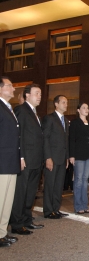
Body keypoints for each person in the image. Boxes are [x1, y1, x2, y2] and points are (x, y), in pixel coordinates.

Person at [10, 84, 44, 236]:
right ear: (27, 95)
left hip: (36, 160)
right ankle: (17, 224)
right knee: (21, 192)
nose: (39, 96)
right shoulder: (21, 110)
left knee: (30, 193)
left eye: (40, 94)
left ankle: (26, 220)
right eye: (36, 93)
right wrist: (21, 156)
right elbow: (19, 135)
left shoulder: (35, 113)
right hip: (26, 159)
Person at [0, 76, 20, 247]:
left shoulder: (9, 108)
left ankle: (2, 233)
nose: (13, 89)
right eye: (10, 86)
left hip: (11, 161)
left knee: (7, 200)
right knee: (0, 200)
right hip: (2, 161)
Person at [42, 95, 69, 219]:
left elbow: (66, 141)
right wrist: (48, 157)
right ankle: (48, 211)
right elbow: (45, 138)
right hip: (52, 158)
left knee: (58, 185)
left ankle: (56, 209)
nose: (66, 104)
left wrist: (67, 157)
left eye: (66, 102)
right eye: (63, 102)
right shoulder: (49, 118)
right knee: (50, 184)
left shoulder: (66, 121)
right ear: (56, 104)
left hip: (62, 158)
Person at [69, 103, 89, 214]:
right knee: (78, 180)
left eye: (87, 108)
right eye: (84, 108)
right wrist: (72, 155)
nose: (86, 109)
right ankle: (78, 206)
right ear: (78, 110)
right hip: (78, 155)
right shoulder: (75, 123)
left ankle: (85, 205)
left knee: (85, 180)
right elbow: (71, 139)